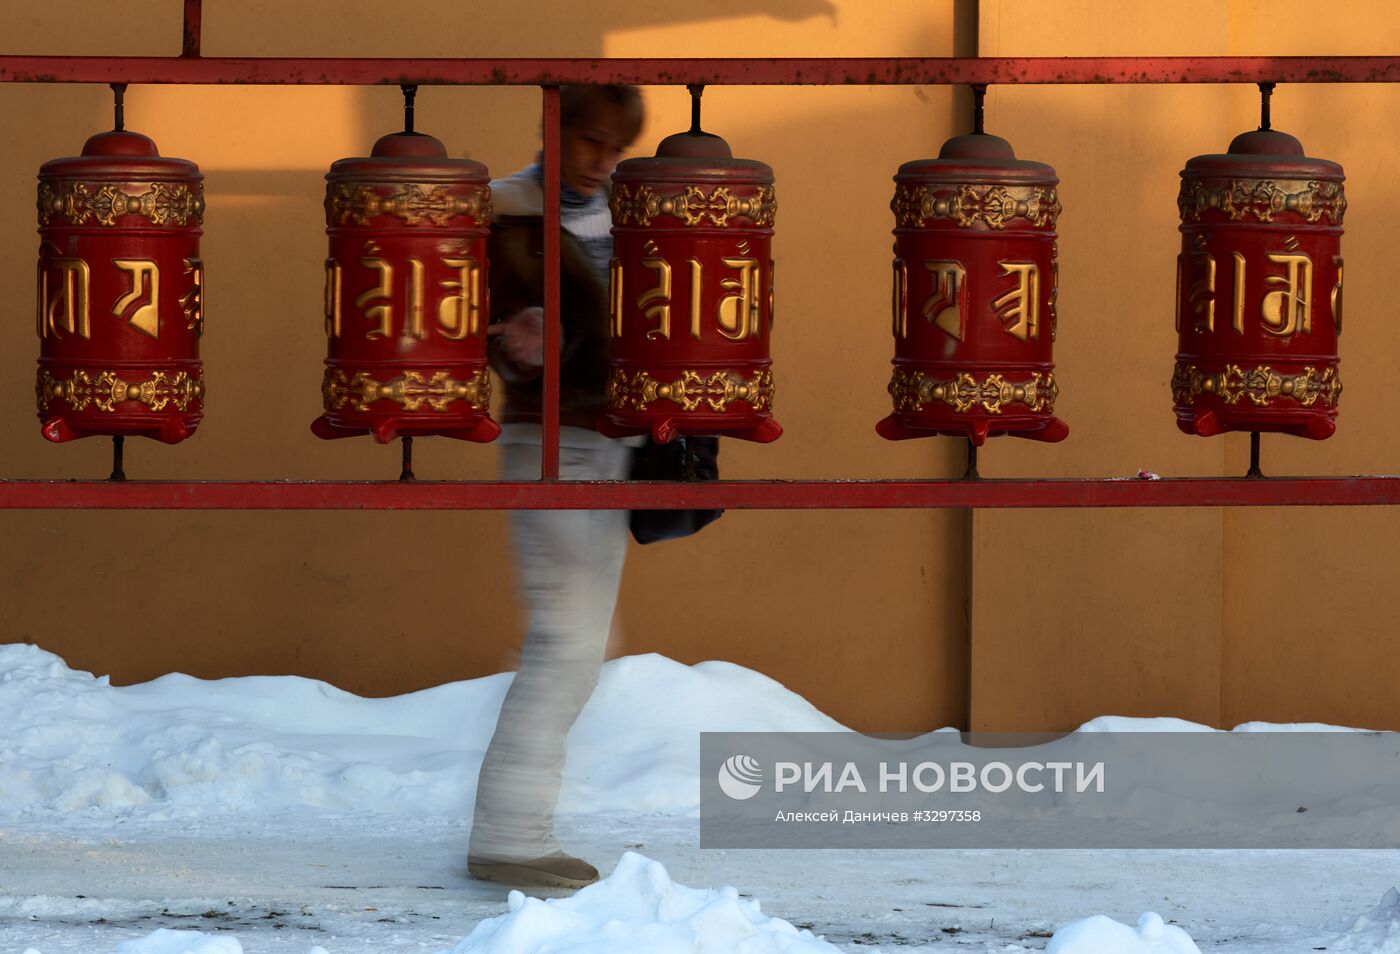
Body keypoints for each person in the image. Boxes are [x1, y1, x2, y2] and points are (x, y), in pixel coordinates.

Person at [468, 85, 645, 891]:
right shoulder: (505, 208)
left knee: (578, 644)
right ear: (553, 128)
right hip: (550, 440)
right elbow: (462, 316)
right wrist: (510, 342)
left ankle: (513, 832)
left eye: (616, 147)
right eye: (589, 142)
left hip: (612, 442)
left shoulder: (629, 212)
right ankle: (509, 837)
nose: (602, 161)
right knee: (567, 643)